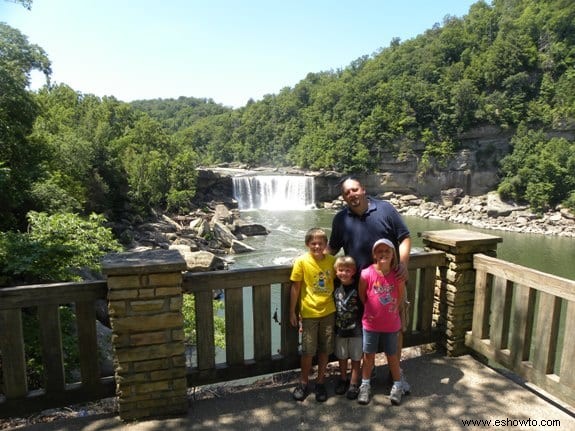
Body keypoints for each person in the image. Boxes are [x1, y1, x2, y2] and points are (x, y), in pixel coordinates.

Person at [328, 175, 412, 373]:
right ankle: (368, 371)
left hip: (391, 281)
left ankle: (395, 371)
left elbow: (405, 238)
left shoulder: (385, 209)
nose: (352, 195)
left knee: (396, 327)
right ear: (343, 198)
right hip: (360, 286)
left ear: (363, 189)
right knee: (365, 329)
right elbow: (331, 249)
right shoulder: (340, 219)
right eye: (347, 193)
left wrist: (404, 264)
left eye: (354, 190)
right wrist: (308, 262)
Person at [357, 238, 410, 406]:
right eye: (380, 251)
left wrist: (393, 309)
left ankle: (397, 385)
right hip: (370, 324)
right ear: (374, 255)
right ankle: (365, 385)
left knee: (392, 356)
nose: (383, 254)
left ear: (393, 254)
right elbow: (362, 295)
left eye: (387, 251)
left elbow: (400, 296)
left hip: (391, 325)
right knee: (368, 356)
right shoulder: (366, 274)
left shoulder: (397, 276)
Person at [289, 227, 336, 402]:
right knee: (308, 350)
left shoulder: (332, 261)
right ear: (307, 244)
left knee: (325, 349)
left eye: (320, 243)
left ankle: (321, 381)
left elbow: (344, 277)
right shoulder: (301, 261)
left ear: (326, 245)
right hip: (309, 312)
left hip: (329, 311)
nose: (317, 246)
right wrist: (292, 311)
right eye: (313, 243)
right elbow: (296, 287)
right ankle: (303, 382)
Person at [332, 255, 363, 400]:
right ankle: (343, 379)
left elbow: (364, 304)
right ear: (336, 271)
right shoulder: (334, 286)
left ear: (354, 271)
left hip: (356, 329)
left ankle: (354, 382)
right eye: (340, 270)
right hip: (340, 329)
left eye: (347, 270)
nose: (344, 273)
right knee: (342, 356)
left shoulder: (358, 286)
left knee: (356, 358)